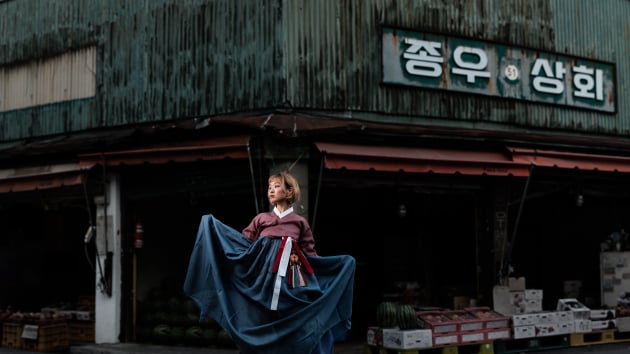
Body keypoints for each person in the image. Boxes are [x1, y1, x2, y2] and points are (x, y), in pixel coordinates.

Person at [184, 171, 356, 354]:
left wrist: (335, 268)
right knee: (260, 316)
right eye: (269, 187)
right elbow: (244, 244)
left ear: (289, 192)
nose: (271, 191)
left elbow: (310, 255)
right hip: (262, 280)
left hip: (291, 283)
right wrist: (215, 231)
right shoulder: (261, 219)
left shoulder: (299, 222)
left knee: (298, 315)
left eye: (276, 186)